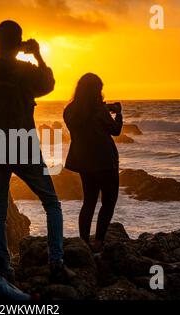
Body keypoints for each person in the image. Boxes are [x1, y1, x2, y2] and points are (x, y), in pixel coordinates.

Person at [0, 20, 74, 283]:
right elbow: (48, 84)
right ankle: (56, 262)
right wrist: (37, 54)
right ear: (19, 43)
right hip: (22, 140)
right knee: (51, 202)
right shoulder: (27, 72)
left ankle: (4, 267)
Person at [63, 73, 123, 253]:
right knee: (108, 201)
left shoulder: (70, 110)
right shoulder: (99, 110)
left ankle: (83, 241)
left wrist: (104, 109)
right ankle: (98, 241)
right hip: (105, 161)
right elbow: (115, 131)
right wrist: (118, 114)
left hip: (84, 161)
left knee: (89, 202)